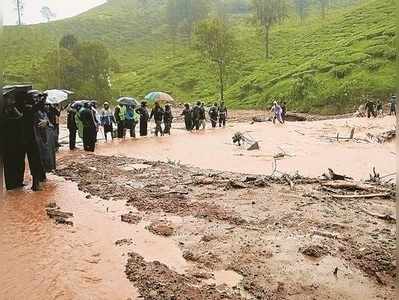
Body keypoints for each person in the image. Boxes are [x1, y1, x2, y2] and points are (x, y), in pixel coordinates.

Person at [3, 92, 27, 190]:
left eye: (13, 99)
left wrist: (15, 110)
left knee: (20, 162)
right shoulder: (4, 111)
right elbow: (7, 121)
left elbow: (20, 118)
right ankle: (11, 184)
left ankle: (19, 181)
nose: (12, 101)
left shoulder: (14, 109)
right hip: (7, 142)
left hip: (18, 140)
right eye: (10, 99)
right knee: (9, 164)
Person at [34, 95, 57, 174]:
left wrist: (47, 123)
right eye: (44, 104)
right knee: (41, 157)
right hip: (40, 137)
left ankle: (47, 170)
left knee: (48, 154)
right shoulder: (35, 112)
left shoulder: (44, 112)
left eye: (47, 104)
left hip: (47, 136)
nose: (46, 106)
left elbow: (50, 123)